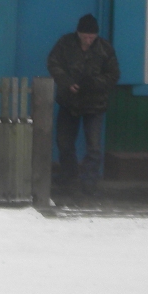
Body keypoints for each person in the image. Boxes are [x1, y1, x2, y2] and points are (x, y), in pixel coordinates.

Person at [46, 14, 120, 194]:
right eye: (85, 36)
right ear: (78, 33)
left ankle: (89, 180)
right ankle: (68, 174)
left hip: (95, 104)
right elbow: (53, 63)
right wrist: (66, 82)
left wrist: (93, 83)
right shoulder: (65, 43)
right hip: (68, 102)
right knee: (64, 142)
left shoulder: (105, 49)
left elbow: (113, 75)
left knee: (93, 146)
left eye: (92, 36)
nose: (88, 40)